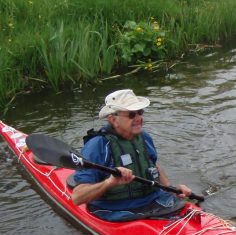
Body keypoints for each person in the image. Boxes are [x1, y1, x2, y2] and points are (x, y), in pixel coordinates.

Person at [71, 89, 193, 221]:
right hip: (117, 210)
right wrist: (109, 182)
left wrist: (171, 189)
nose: (138, 118)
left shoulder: (144, 137)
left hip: (155, 200)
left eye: (140, 112)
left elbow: (153, 164)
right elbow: (77, 197)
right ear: (113, 119)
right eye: (131, 114)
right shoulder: (97, 146)